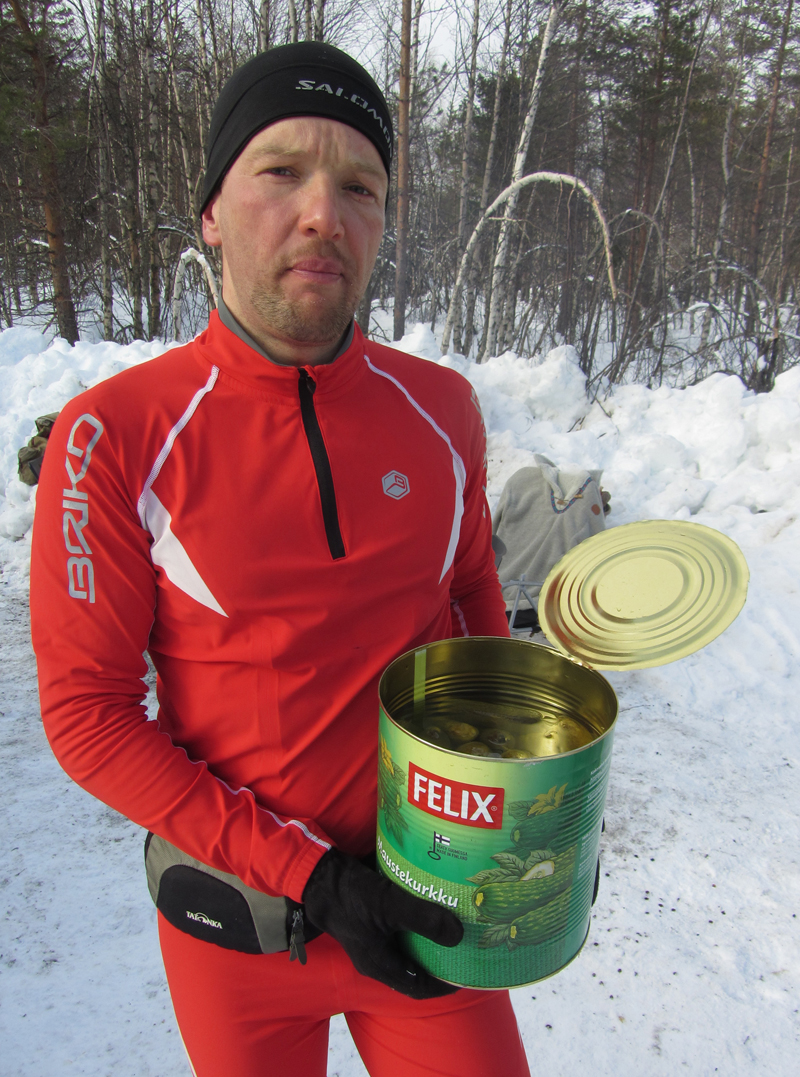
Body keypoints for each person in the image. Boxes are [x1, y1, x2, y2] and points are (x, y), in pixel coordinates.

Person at [30, 42, 531, 1077]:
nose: (322, 214)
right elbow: (88, 717)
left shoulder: (441, 410)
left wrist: (528, 818)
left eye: (360, 187)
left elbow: (468, 593)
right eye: (282, 171)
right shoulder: (113, 435)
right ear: (212, 211)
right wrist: (315, 878)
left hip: (426, 908)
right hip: (243, 933)